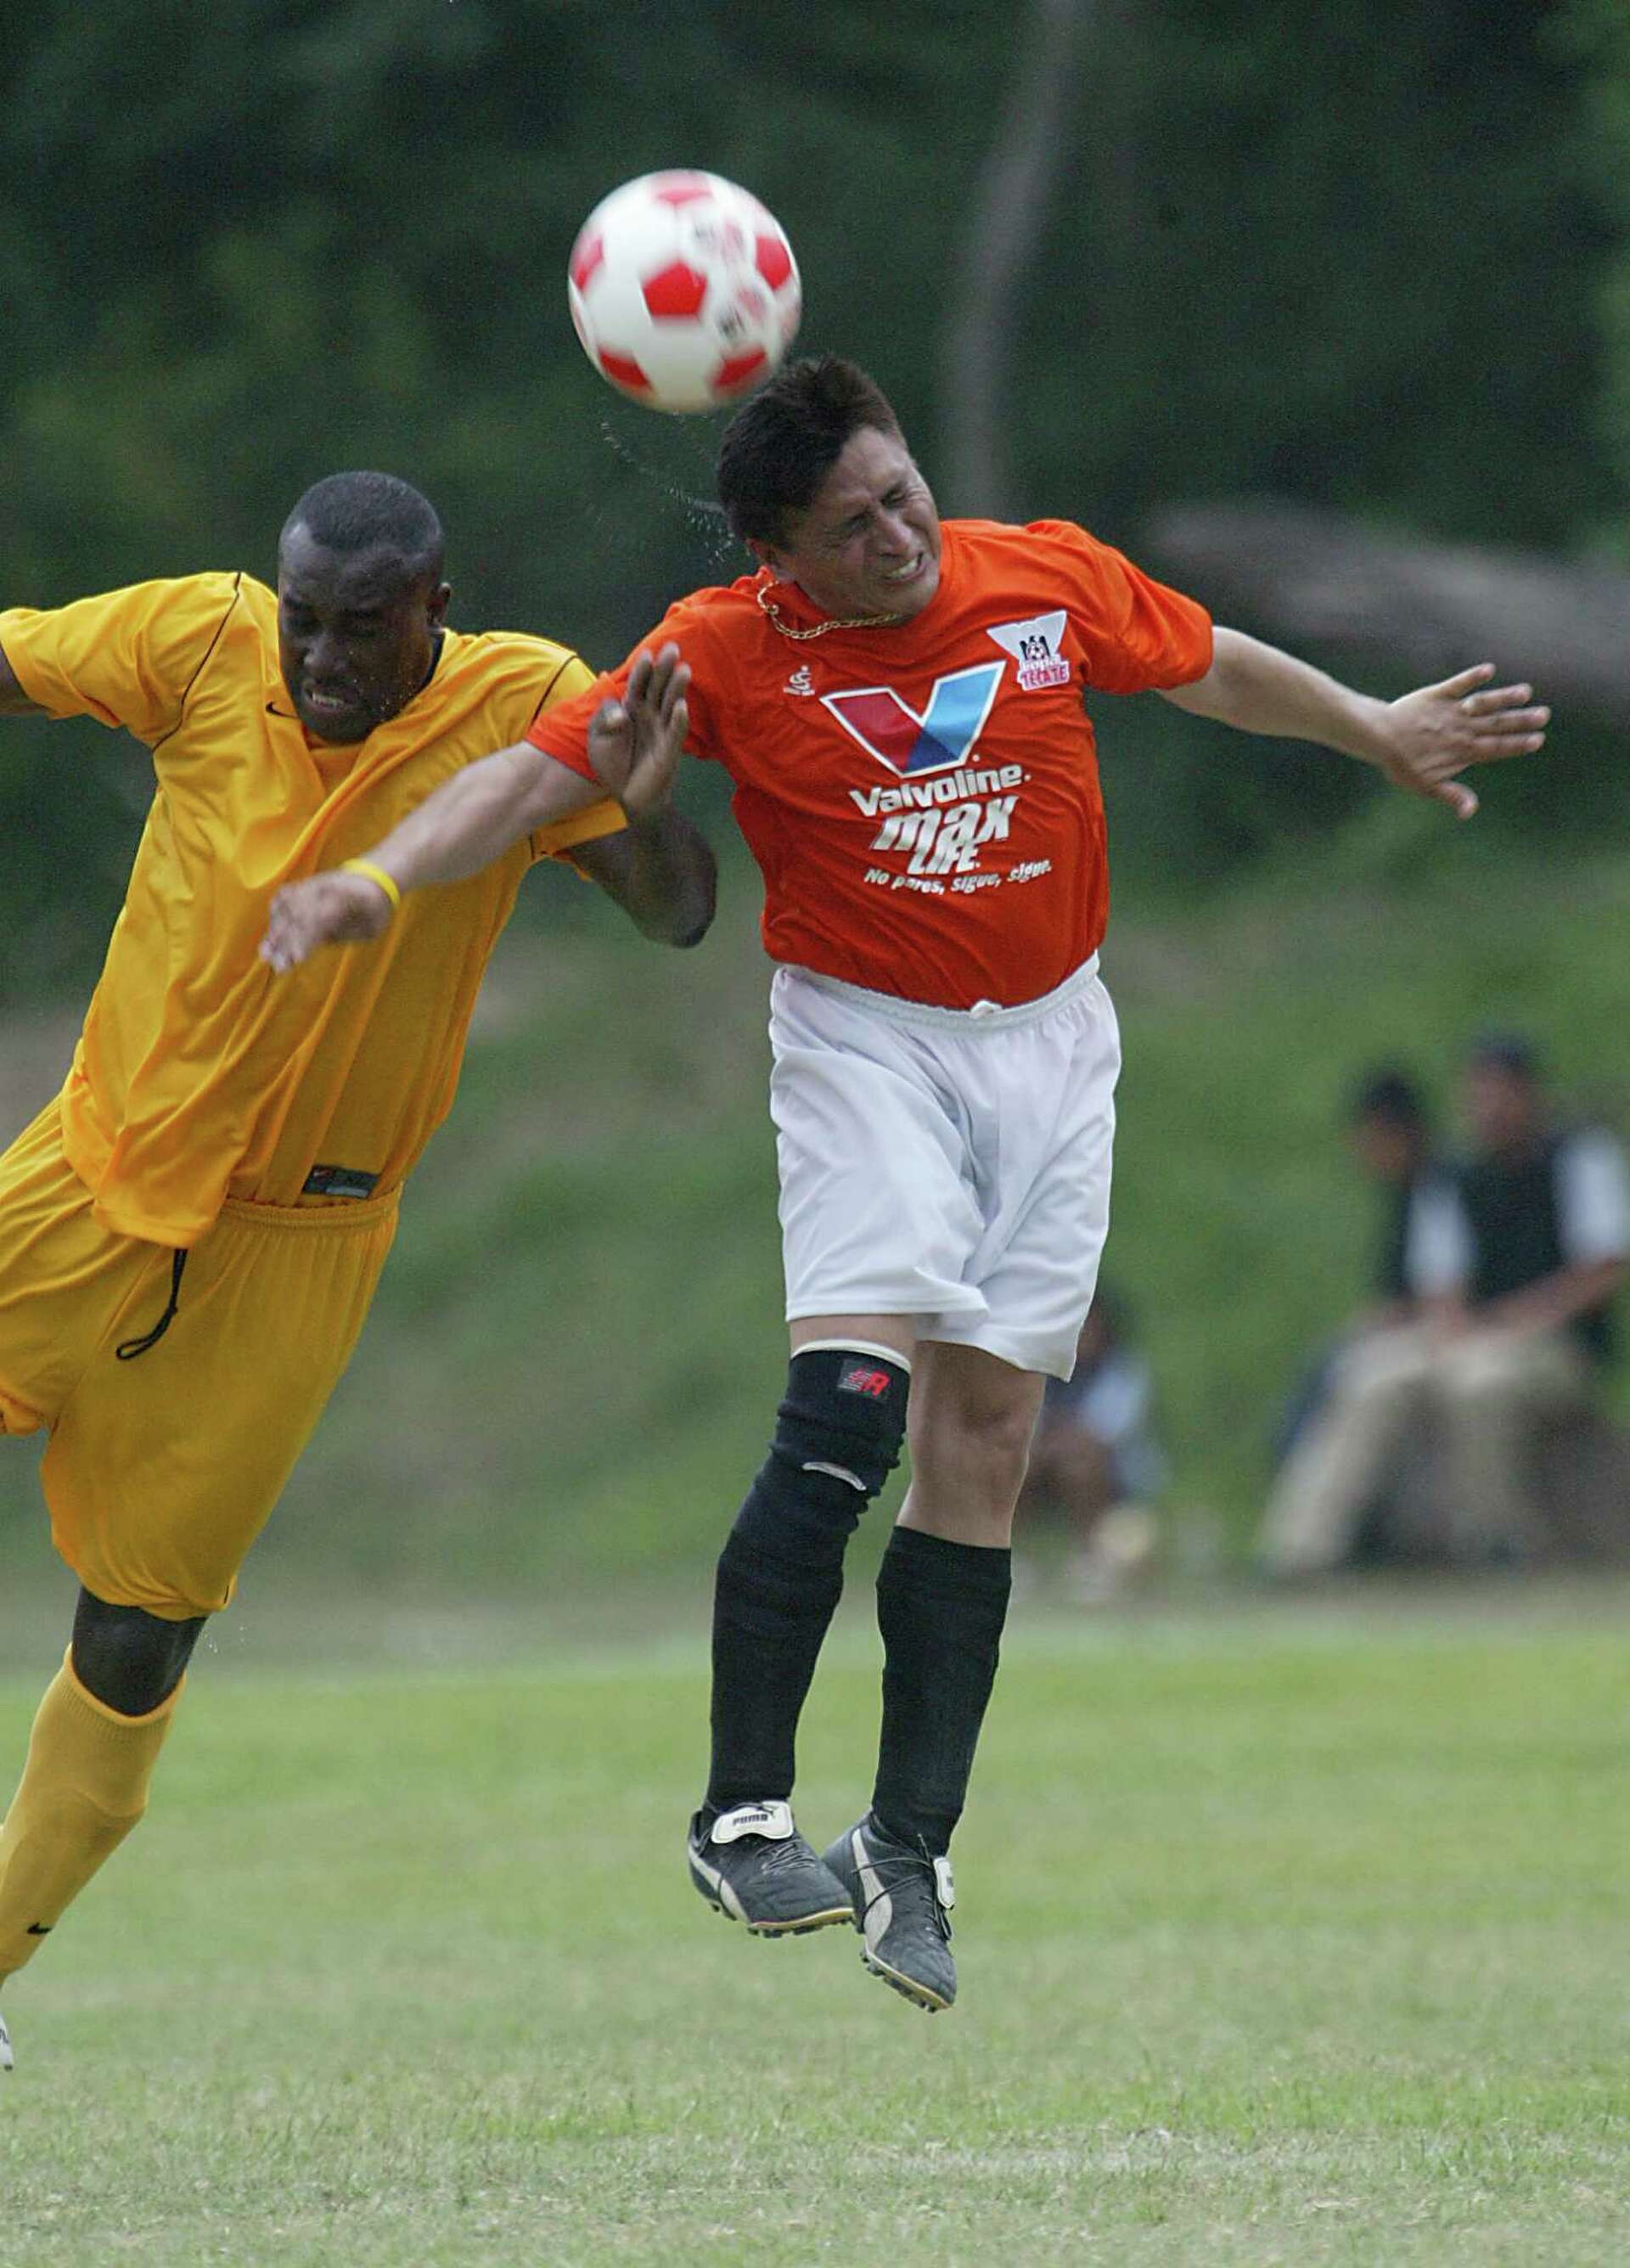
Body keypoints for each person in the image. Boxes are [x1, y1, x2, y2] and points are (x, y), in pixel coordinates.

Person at [261, 357, 1548, 2013]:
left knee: (990, 1443)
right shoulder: (719, 649)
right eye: (855, 522)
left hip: (1058, 1044)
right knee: (856, 1403)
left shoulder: (1040, 576)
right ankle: (741, 1810)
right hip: (869, 1039)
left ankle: (910, 1848)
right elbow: (534, 774)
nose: (901, 530)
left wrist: (1369, 727)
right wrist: (375, 879)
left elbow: (1209, 663)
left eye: (901, 488)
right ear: (777, 555)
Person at [0, 472, 715, 2072]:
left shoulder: (525, 704)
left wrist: (651, 799)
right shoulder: (199, 640)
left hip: (296, 1251)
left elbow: (679, 917)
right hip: (81, 1180)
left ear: (434, 610)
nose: (316, 659)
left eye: (360, 629)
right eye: (303, 619)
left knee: (134, 1638)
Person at [1258, 1034, 1629, 1572]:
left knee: (1481, 1383)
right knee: (1372, 1373)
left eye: (1500, 1091)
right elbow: (1441, 1287)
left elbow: (1600, 1270)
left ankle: (1494, 1541)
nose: (1488, 1107)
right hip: (1470, 1336)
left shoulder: (1577, 1157)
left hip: (1556, 1343)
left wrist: (1521, 1320)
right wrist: (1459, 1332)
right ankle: (1302, 1547)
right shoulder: (1454, 1177)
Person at [1259, 1066, 1445, 1569]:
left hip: (1451, 1334)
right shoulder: (1410, 1193)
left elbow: (1440, 1290)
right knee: (1328, 1369)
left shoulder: (1440, 1187)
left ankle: (1305, 1545)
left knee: (1358, 1376)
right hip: (1434, 1330)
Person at [1015, 1291, 1165, 1601]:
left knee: (1080, 1465)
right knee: (1016, 1463)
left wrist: (1057, 1443)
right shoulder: (1041, 1370)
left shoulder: (1121, 1372)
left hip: (1113, 1473)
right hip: (1046, 1461)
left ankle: (1094, 1558)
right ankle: (1011, 1555)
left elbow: (1104, 1435)